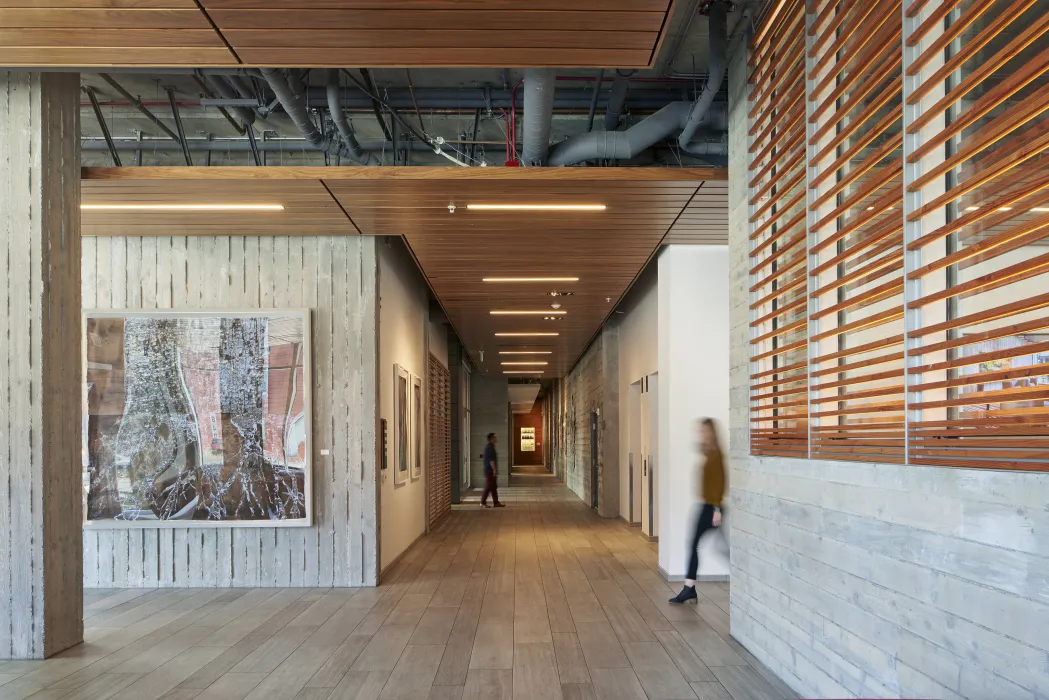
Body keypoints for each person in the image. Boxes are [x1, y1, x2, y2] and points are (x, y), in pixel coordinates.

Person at [670, 418, 726, 604]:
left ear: (711, 433)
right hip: (706, 505)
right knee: (696, 544)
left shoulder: (717, 455)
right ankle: (689, 587)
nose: (701, 434)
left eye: (704, 431)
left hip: (712, 507)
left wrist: (717, 509)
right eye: (701, 431)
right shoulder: (709, 453)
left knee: (699, 545)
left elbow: (720, 483)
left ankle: (689, 588)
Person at [481, 432, 505, 508]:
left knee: (493, 487)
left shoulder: (490, 447)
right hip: (489, 471)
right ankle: (483, 502)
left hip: (489, 470)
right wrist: (494, 470)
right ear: (491, 439)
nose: (496, 438)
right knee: (489, 486)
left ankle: (496, 502)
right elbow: (491, 460)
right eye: (495, 437)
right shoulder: (490, 448)